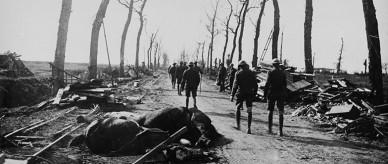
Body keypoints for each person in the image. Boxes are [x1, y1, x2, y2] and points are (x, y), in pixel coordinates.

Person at [230, 61, 258, 134]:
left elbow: (235, 85)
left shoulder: (238, 73)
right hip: (249, 93)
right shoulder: (251, 73)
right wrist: (254, 94)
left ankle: (238, 125)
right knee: (249, 110)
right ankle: (248, 128)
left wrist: (232, 95)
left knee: (238, 107)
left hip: (241, 93)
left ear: (240, 66)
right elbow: (256, 85)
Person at [264, 58, 287, 136]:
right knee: (281, 112)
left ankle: (270, 129)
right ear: (278, 64)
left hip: (272, 93)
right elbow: (285, 85)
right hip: (280, 93)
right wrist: (284, 94)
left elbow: (267, 84)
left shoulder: (270, 72)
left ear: (273, 64)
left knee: (270, 111)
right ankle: (280, 131)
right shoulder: (283, 73)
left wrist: (265, 94)